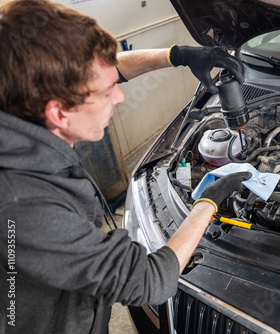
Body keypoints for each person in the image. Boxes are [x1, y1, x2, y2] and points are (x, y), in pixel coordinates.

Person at [0, 0, 250, 333]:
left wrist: (177, 55)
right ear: (58, 112)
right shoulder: (25, 204)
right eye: (106, 92)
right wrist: (209, 199)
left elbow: (109, 67)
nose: (118, 97)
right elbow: (149, 281)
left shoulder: (19, 95)